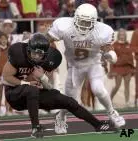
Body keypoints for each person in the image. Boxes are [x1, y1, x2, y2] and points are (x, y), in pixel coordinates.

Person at [2, 33, 114, 138]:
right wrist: (26, 83)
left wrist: (42, 77)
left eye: (40, 54)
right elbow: (6, 78)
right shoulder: (18, 53)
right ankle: (36, 128)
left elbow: (48, 88)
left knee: (69, 101)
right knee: (32, 90)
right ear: (28, 50)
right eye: (34, 52)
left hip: (33, 95)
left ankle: (98, 125)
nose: (36, 56)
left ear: (45, 54)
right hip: (14, 95)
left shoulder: (49, 60)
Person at [47, 3, 125, 134]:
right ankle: (61, 117)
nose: (83, 25)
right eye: (81, 21)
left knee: (98, 89)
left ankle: (112, 113)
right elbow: (48, 39)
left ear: (94, 22)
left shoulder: (102, 31)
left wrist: (109, 54)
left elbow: (107, 47)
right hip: (74, 66)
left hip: (93, 64)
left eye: (87, 22)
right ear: (75, 18)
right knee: (71, 101)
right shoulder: (64, 26)